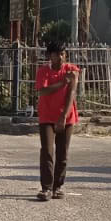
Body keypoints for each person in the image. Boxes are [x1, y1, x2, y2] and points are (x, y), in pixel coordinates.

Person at [35, 39, 79, 201]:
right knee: (47, 151)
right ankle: (46, 187)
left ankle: (58, 186)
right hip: (47, 115)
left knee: (62, 152)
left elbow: (71, 92)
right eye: (56, 54)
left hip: (66, 116)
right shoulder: (43, 71)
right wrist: (62, 83)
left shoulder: (72, 70)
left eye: (62, 54)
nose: (60, 57)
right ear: (49, 56)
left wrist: (63, 117)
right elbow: (43, 91)